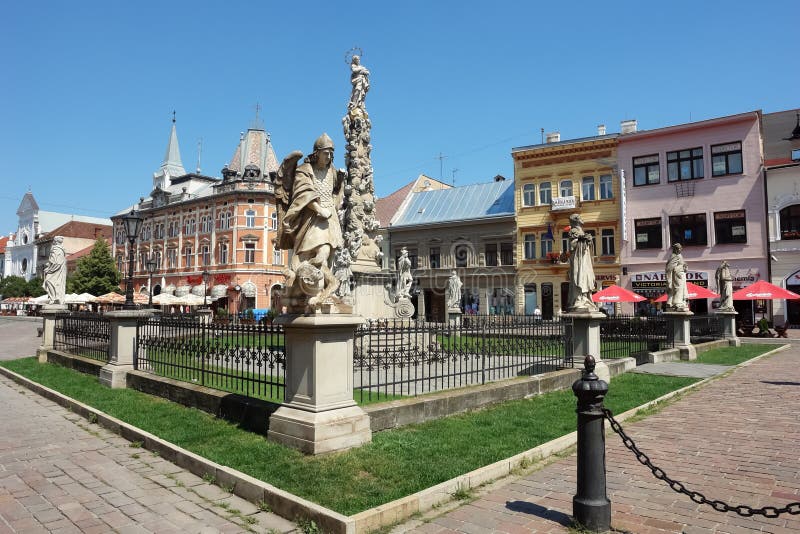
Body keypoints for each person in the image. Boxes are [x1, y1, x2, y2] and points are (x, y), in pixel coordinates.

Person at [274, 133, 345, 307]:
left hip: (329, 221)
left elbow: (336, 192)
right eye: (325, 153)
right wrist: (318, 209)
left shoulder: (332, 171)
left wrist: (341, 180)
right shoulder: (304, 170)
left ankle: (322, 291)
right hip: (311, 219)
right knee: (302, 258)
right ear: (316, 153)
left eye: (331, 153)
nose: (328, 157)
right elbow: (302, 193)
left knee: (323, 256)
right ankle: (306, 290)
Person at [565, 214, 597, 311]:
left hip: (585, 259)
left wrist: (589, 241)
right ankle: (579, 298)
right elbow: (572, 245)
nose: (582, 219)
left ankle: (586, 298)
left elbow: (589, 247)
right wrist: (581, 239)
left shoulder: (581, 231)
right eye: (580, 218)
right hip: (578, 259)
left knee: (586, 277)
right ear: (576, 220)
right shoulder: (573, 231)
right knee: (579, 276)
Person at [43, 236, 67, 305]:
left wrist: (49, 269)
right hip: (58, 270)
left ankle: (53, 298)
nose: (53, 242)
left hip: (56, 270)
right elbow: (56, 261)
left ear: (55, 242)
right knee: (53, 282)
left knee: (48, 280)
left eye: (53, 241)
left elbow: (56, 262)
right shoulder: (60, 249)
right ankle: (54, 298)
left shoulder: (56, 249)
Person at [665, 243, 689, 311]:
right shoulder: (674, 256)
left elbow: (682, 264)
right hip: (677, 275)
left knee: (682, 289)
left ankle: (680, 302)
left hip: (681, 275)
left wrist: (685, 266)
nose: (680, 249)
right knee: (678, 289)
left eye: (681, 248)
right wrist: (669, 281)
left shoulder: (679, 255)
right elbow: (669, 269)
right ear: (675, 249)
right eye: (679, 248)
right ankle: (677, 303)